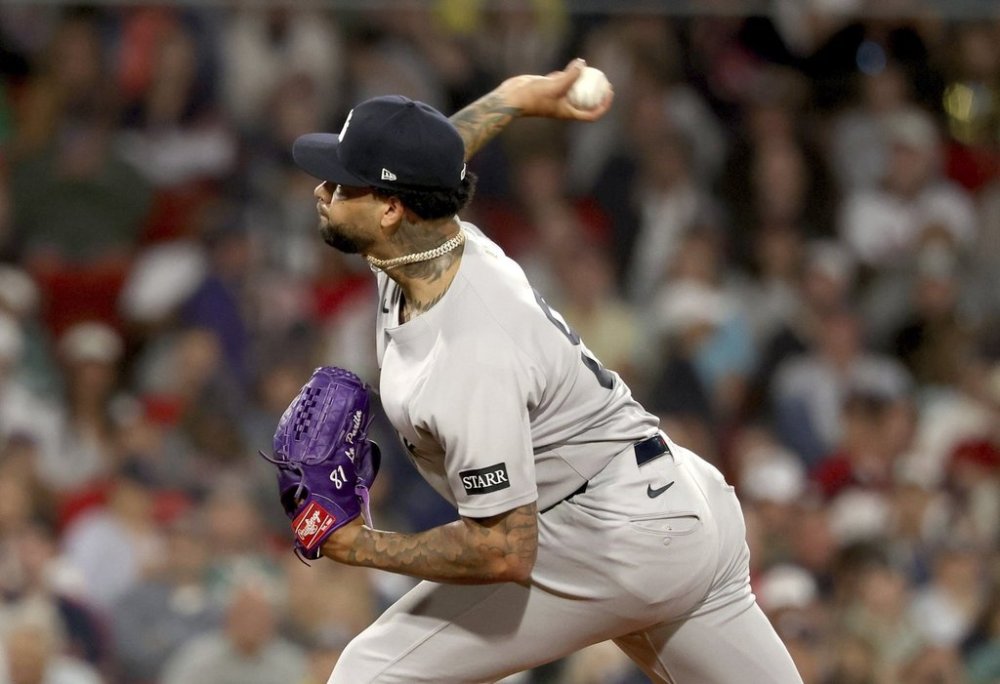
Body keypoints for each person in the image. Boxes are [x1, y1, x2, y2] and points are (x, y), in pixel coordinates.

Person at [289, 59, 803, 683]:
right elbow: (429, 163)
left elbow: (504, 550)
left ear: (392, 209)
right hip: (676, 506)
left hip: (610, 535)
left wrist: (356, 545)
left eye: (342, 186)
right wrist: (512, 98)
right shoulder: (431, 236)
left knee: (370, 674)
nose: (323, 191)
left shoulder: (469, 351)